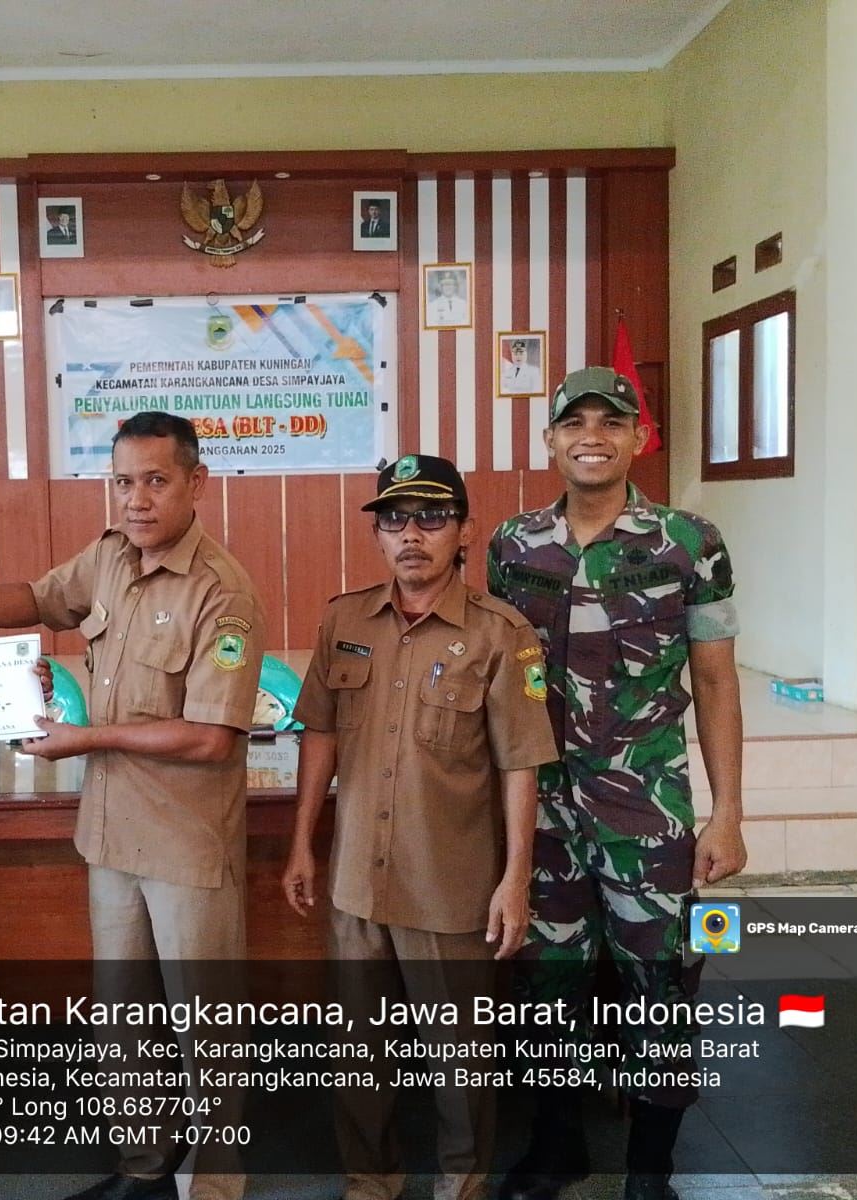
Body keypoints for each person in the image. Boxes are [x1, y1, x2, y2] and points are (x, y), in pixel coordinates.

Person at [0, 411, 266, 1200]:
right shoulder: (107, 558)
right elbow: (37, 597)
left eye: (156, 481)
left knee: (205, 1028)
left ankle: (214, 1185)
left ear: (196, 483)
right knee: (123, 1023)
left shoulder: (222, 592)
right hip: (111, 837)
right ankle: (143, 1169)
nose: (136, 499)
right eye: (123, 481)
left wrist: (87, 738)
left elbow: (210, 738)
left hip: (185, 846)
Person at [486, 368, 746, 1200]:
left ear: (638, 438)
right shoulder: (513, 546)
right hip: (543, 812)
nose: (591, 436)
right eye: (574, 423)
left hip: (648, 808)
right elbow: (500, 684)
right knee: (544, 981)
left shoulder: (690, 543)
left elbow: (716, 682)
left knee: (663, 980)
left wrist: (728, 814)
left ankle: (650, 1171)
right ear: (550, 441)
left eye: (610, 421)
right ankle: (557, 1147)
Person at [282, 454, 558, 1200]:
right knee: (356, 1052)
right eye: (395, 519)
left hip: (449, 886)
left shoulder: (502, 634)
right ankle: (370, 1182)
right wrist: (303, 841)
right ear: (378, 533)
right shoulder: (344, 620)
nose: (412, 535)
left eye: (432, 518)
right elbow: (319, 733)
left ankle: (459, 1188)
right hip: (355, 882)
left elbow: (521, 764)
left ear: (464, 531)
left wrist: (515, 881)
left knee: (459, 1060)